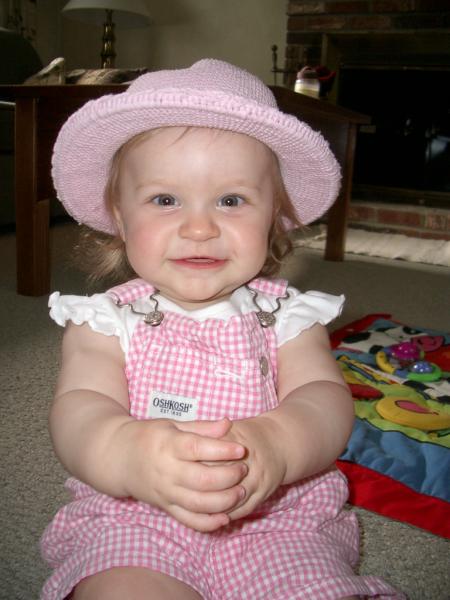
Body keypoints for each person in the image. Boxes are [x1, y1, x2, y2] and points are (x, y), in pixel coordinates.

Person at [40, 59, 404, 600]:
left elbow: (324, 398)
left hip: (277, 518)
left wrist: (278, 443)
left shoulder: (286, 316)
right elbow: (78, 409)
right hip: (137, 511)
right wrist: (126, 451)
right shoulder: (105, 322)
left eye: (231, 201)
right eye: (165, 200)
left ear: (273, 215)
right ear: (119, 214)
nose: (199, 228)